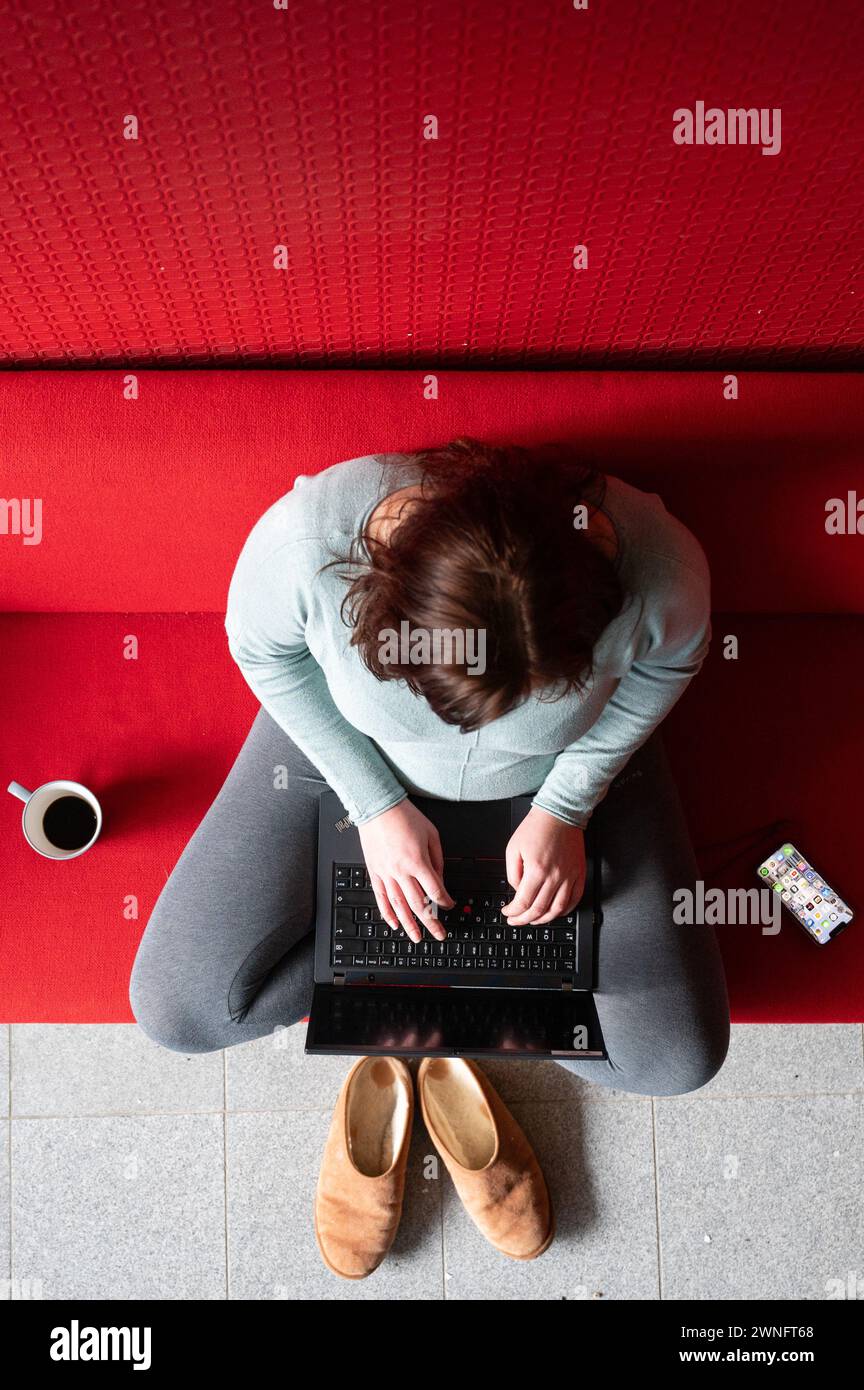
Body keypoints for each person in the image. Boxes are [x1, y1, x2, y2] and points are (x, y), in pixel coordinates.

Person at [130, 439, 729, 1097]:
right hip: (353, 749)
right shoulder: (307, 545)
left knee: (675, 1062)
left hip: (567, 769)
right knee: (177, 1012)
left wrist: (566, 805)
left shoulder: (662, 569)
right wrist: (373, 805)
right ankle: (456, 969)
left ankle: (425, 970)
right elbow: (264, 656)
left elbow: (669, 665)